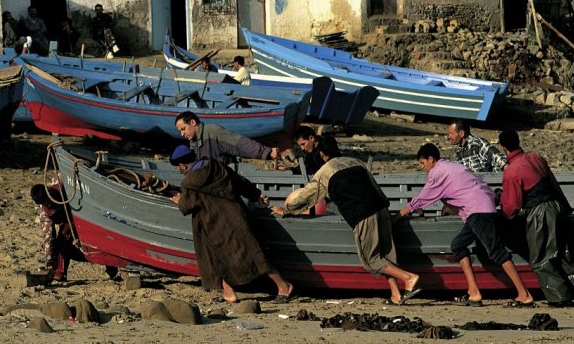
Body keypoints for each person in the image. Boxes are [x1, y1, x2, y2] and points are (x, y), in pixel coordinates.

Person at [270, 136, 422, 305]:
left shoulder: (326, 170)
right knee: (385, 255)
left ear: (322, 154)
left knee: (371, 259)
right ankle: (396, 294)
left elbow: (309, 195)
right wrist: (385, 208)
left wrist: (287, 210)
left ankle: (408, 278)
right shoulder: (355, 161)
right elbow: (373, 184)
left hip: (363, 214)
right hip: (381, 208)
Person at [398, 143, 534, 307]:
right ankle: (474, 292)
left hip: (478, 212)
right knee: (458, 245)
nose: (422, 167)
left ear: (431, 159)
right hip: (479, 210)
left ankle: (524, 294)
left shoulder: (438, 172)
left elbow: (420, 200)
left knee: (497, 252)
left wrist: (397, 216)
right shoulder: (454, 166)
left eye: (422, 163)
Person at [169, 145, 294, 303]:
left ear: (183, 165)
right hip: (236, 217)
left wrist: (179, 200)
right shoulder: (216, 165)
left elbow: (187, 207)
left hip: (213, 224)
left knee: (232, 256)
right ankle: (228, 292)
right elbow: (238, 181)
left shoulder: (189, 183)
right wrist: (256, 195)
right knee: (249, 253)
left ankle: (284, 286)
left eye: (179, 168)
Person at [498, 130, 574, 307]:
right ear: (518, 141)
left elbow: (511, 207)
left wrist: (502, 217)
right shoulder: (535, 157)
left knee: (541, 258)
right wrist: (565, 207)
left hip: (539, 213)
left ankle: (559, 297)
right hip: (556, 207)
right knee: (565, 253)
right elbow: (553, 182)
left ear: (503, 148)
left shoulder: (512, 171)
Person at [30, 181, 119, 285]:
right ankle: (58, 272)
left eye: (48, 200)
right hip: (69, 223)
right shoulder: (46, 213)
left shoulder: (61, 183)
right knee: (61, 241)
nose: (49, 204)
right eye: (45, 203)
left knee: (103, 239)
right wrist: (49, 262)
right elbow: (48, 238)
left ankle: (113, 269)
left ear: (49, 190)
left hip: (86, 214)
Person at [175, 111, 281, 165]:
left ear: (193, 122)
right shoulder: (194, 142)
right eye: (180, 131)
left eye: (183, 129)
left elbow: (239, 143)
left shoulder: (212, 131)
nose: (182, 134)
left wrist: (266, 152)